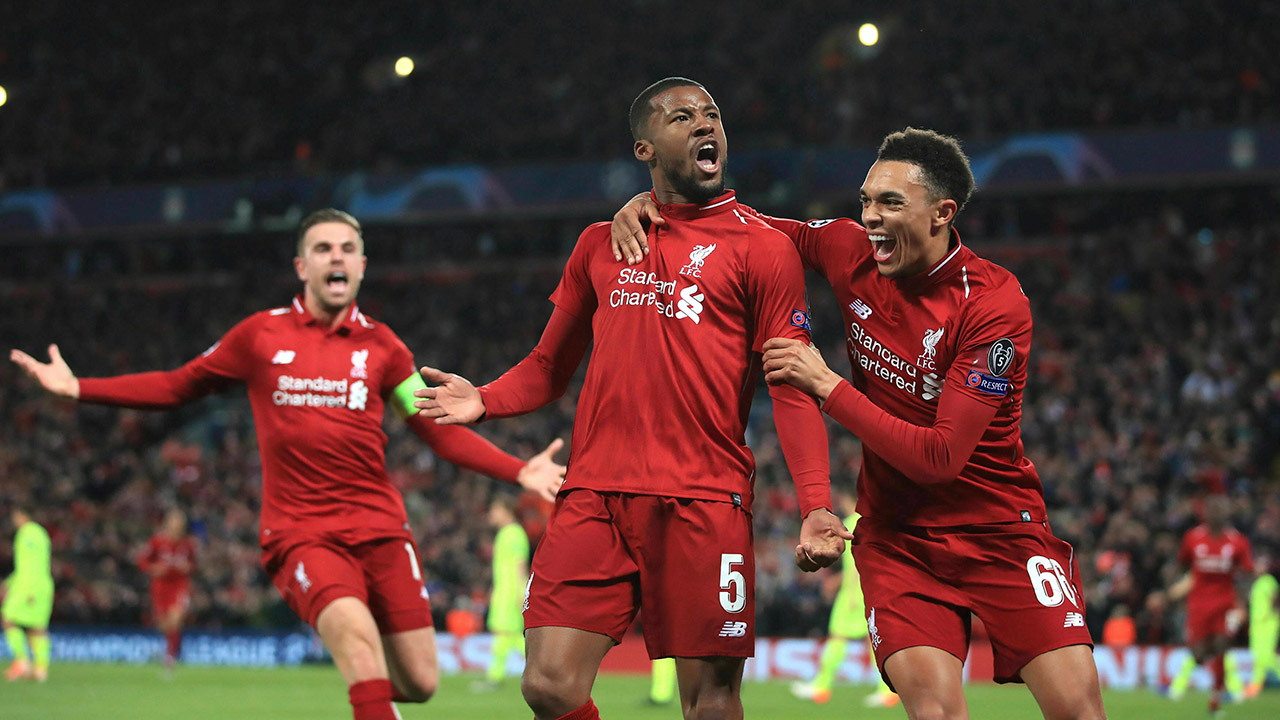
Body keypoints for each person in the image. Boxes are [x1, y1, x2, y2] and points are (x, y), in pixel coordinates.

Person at [611, 127, 1107, 720]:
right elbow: (750, 225)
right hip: (899, 539)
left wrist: (826, 385)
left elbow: (940, 458)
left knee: (1079, 711)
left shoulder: (993, 303)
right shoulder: (850, 250)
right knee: (936, 713)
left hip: (1001, 529)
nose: (870, 217)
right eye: (866, 200)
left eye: (890, 203)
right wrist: (659, 204)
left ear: (942, 214)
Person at [10, 208, 567, 720]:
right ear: (302, 265)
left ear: (363, 264)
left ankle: (364, 685)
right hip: (301, 532)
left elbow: (437, 434)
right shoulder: (260, 336)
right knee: (353, 634)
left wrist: (517, 470)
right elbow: (177, 386)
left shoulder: (383, 349)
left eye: (348, 248)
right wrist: (79, 387)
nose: (336, 257)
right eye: (323, 248)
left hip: (380, 531)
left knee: (421, 681)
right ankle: (364, 687)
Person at [414, 77, 851, 720]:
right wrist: (485, 398)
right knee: (549, 685)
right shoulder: (601, 242)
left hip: (704, 497)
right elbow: (546, 367)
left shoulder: (764, 248)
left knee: (711, 702)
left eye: (712, 114)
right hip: (595, 494)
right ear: (645, 149)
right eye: (682, 117)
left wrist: (815, 503)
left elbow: (790, 387)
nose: (705, 125)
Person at [789, 491, 897, 708]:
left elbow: (856, 565)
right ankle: (886, 690)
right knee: (872, 639)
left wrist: (851, 593)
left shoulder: (851, 523)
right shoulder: (871, 521)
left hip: (854, 594)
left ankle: (822, 686)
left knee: (840, 636)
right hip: (865, 589)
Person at [1167, 494, 1253, 713]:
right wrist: (1174, 589)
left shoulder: (1237, 541)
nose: (1216, 513)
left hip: (1225, 602)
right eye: (1212, 509)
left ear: (1226, 513)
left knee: (1223, 643)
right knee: (1198, 653)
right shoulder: (1192, 538)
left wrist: (1242, 604)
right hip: (1198, 604)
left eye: (1220, 509)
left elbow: (1246, 574)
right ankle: (1216, 680)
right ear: (1204, 513)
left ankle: (1216, 696)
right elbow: (1180, 564)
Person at [476, 495, 530, 691]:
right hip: (502, 591)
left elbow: (519, 565)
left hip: (510, 592)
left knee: (504, 633)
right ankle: (542, 667)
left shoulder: (515, 534)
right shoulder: (505, 533)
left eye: (495, 510)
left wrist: (521, 592)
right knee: (510, 635)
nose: (492, 514)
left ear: (505, 510)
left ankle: (495, 677)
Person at [137, 508, 198, 672]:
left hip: (180, 585)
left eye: (180, 523)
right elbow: (142, 561)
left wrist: (189, 568)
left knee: (176, 618)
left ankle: (170, 658)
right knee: (164, 624)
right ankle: (167, 651)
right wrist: (153, 568)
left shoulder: (188, 544)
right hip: (160, 586)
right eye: (175, 522)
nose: (177, 526)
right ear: (168, 523)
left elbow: (194, 565)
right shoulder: (157, 541)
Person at [2, 507, 53, 682]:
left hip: (30, 585)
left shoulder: (27, 532)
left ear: (21, 515)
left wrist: (26, 588)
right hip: (42, 584)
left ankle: (22, 660)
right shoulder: (41, 533)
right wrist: (9, 582)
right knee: (37, 627)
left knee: (8, 618)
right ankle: (40, 669)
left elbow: (30, 565)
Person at [1246, 547, 1279, 698]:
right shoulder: (1257, 582)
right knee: (1258, 658)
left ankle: (1256, 685)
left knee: (1266, 658)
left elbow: (1276, 600)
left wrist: (1271, 616)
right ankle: (1256, 686)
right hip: (1257, 625)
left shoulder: (1268, 581)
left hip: (1267, 624)